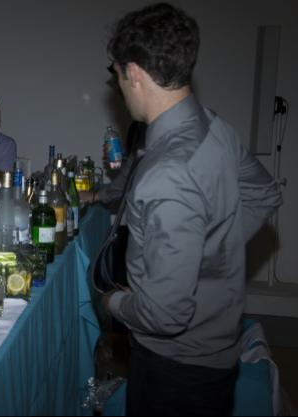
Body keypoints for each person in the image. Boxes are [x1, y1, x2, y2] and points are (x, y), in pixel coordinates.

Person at [100, 4, 282, 415]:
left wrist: (113, 303)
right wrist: (206, 253)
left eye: (117, 76)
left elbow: (164, 314)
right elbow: (264, 194)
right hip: (215, 348)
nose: (119, 87)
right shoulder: (214, 127)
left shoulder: (167, 170)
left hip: (175, 366)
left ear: (135, 73)